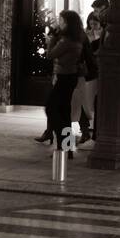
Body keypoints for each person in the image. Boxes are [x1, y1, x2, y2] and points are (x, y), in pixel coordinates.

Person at [45, 10, 86, 157]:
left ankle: (64, 144)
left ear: (67, 23)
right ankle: (66, 148)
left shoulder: (66, 40)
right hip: (70, 76)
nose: (59, 23)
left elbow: (50, 54)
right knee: (63, 111)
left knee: (51, 109)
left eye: (61, 21)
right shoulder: (77, 38)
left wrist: (51, 39)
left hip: (65, 77)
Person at [76, 0, 108, 142]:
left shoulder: (103, 34)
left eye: (96, 19)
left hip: (95, 72)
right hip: (89, 73)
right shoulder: (85, 35)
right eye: (91, 20)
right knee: (84, 101)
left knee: (90, 101)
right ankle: (85, 130)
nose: (93, 23)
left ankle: (88, 131)